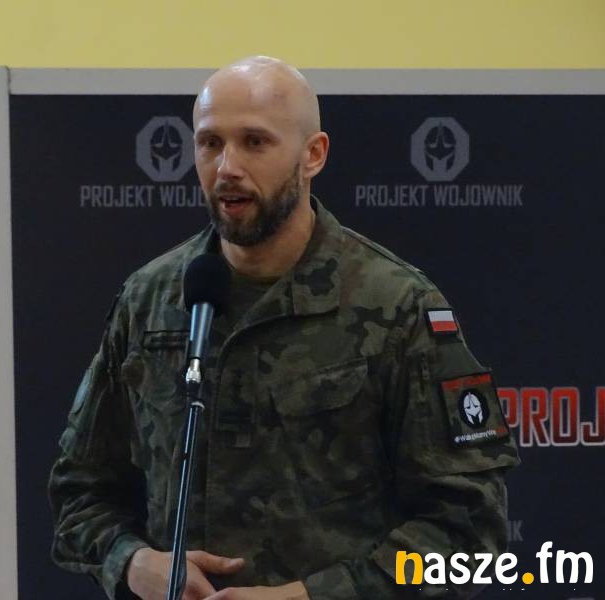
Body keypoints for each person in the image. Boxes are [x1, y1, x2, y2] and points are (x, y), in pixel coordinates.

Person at [49, 56, 520, 600]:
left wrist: (308, 596)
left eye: (255, 142)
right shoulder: (150, 300)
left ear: (312, 155)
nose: (226, 167)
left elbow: (469, 532)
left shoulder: (396, 307)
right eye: (209, 143)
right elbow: (80, 490)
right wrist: (133, 561)